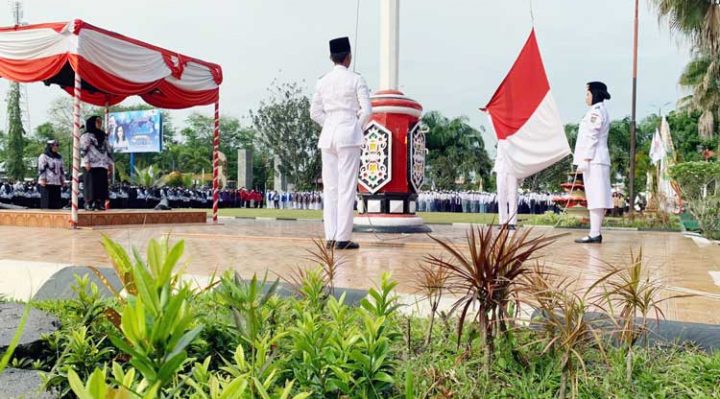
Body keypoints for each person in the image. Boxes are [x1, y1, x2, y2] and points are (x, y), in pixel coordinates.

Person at [310, 36, 371, 250]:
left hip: (328, 136)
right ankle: (343, 238)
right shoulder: (356, 79)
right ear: (349, 58)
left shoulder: (322, 81)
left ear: (331, 58)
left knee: (331, 188)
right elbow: (367, 110)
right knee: (346, 188)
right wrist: (355, 126)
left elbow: (314, 112)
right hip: (348, 134)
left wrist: (331, 124)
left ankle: (331, 236)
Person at [573, 81, 612, 244]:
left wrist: (585, 159)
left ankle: (595, 233)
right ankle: (595, 232)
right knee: (597, 197)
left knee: (596, 197)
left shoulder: (596, 112)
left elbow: (592, 137)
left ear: (594, 94)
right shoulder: (599, 111)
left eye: (587, 94)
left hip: (594, 159)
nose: (586, 98)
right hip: (597, 159)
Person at [80, 115, 114, 211]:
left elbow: (108, 150)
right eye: (97, 122)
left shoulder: (103, 135)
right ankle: (89, 203)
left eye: (100, 122)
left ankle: (99, 203)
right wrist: (86, 162)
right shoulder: (86, 135)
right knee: (90, 184)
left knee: (101, 184)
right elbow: (83, 150)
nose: (100, 124)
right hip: (90, 164)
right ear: (92, 123)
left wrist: (110, 164)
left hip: (102, 163)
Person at [494, 139, 520, 230]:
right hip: (501, 168)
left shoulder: (516, 139)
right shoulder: (500, 138)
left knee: (512, 196)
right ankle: (502, 221)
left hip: (512, 169)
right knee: (501, 196)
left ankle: (512, 222)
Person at [37, 140, 65, 209]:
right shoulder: (44, 156)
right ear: (50, 146)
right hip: (47, 182)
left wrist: (62, 180)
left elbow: (62, 169)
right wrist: (43, 179)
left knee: (56, 203)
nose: (56, 147)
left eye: (57, 145)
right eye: (54, 145)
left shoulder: (59, 157)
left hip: (56, 182)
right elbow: (41, 168)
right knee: (46, 203)